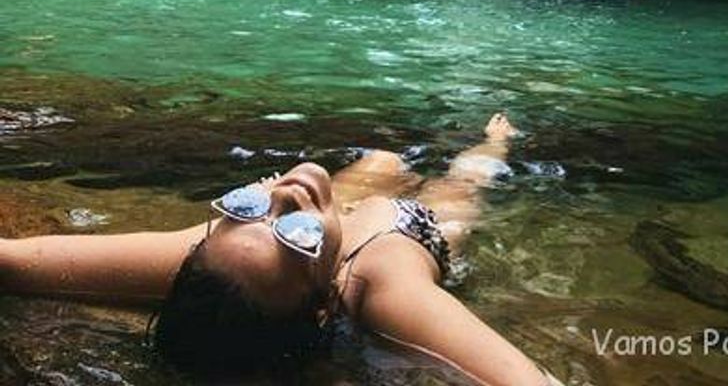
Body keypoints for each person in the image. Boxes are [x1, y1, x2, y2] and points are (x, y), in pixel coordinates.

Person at [0, 113, 559, 385]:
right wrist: (492, 149)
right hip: (413, 228)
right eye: (296, 235)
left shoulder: (219, 261)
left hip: (341, 207)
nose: (284, 195)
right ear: (322, 304)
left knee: (385, 162)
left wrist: (304, 217)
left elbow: (15, 261)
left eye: (246, 205)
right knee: (465, 182)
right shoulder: (387, 294)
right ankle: (496, 135)